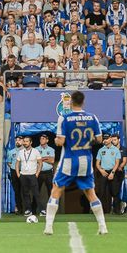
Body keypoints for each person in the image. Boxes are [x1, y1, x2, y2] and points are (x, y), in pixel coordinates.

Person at [43, 91, 109, 236]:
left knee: (56, 190)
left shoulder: (64, 118)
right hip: (86, 160)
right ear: (83, 102)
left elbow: (60, 142)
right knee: (90, 193)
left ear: (71, 102)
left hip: (69, 160)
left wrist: (55, 140)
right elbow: (99, 139)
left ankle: (48, 227)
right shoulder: (93, 117)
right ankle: (103, 227)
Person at [15, 135, 43, 218]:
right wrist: (18, 174)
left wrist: (37, 173)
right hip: (23, 175)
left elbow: (40, 163)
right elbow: (17, 164)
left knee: (36, 193)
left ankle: (41, 210)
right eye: (24, 141)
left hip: (32, 175)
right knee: (25, 194)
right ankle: (28, 210)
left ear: (31, 142)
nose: (25, 143)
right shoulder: (20, 152)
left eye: (27, 141)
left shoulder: (35, 151)